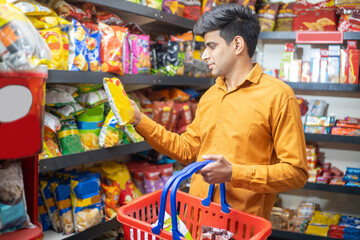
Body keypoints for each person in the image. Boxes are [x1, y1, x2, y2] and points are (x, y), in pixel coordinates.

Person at [130, 4, 308, 220]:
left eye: (211, 46)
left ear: (237, 44)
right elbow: (188, 151)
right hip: (196, 219)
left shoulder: (278, 96)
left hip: (242, 226)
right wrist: (139, 119)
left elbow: (296, 173)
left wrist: (233, 173)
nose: (204, 55)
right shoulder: (210, 96)